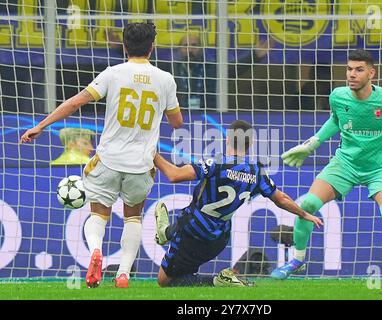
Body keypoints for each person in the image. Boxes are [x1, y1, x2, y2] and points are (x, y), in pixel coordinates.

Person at [20, 22, 183, 288]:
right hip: (141, 164)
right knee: (133, 216)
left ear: (124, 46)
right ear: (152, 47)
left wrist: (40, 125)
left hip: (108, 160)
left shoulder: (113, 73)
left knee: (97, 214)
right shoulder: (165, 79)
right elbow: (177, 122)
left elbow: (74, 103)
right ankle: (124, 274)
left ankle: (96, 250)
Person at [270, 49, 382, 283]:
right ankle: (297, 259)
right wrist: (312, 144)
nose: (352, 74)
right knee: (309, 203)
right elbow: (336, 120)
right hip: (344, 163)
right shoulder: (338, 96)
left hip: (379, 168)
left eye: (359, 70)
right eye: (349, 69)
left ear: (371, 73)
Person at [152, 120, 323, 287]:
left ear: (227, 138)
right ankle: (167, 232)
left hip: (193, 232)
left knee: (164, 281)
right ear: (251, 144)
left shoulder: (217, 163)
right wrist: (304, 214)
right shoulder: (256, 171)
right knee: (183, 272)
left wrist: (151, 152)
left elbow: (174, 175)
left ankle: (216, 280)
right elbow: (281, 198)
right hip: (218, 239)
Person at [162, 34, 273, 110]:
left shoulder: (211, 67)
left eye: (194, 46)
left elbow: (234, 68)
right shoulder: (171, 69)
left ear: (201, 48)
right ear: (179, 49)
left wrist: (255, 56)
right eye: (185, 46)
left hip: (208, 114)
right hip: (179, 115)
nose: (190, 49)